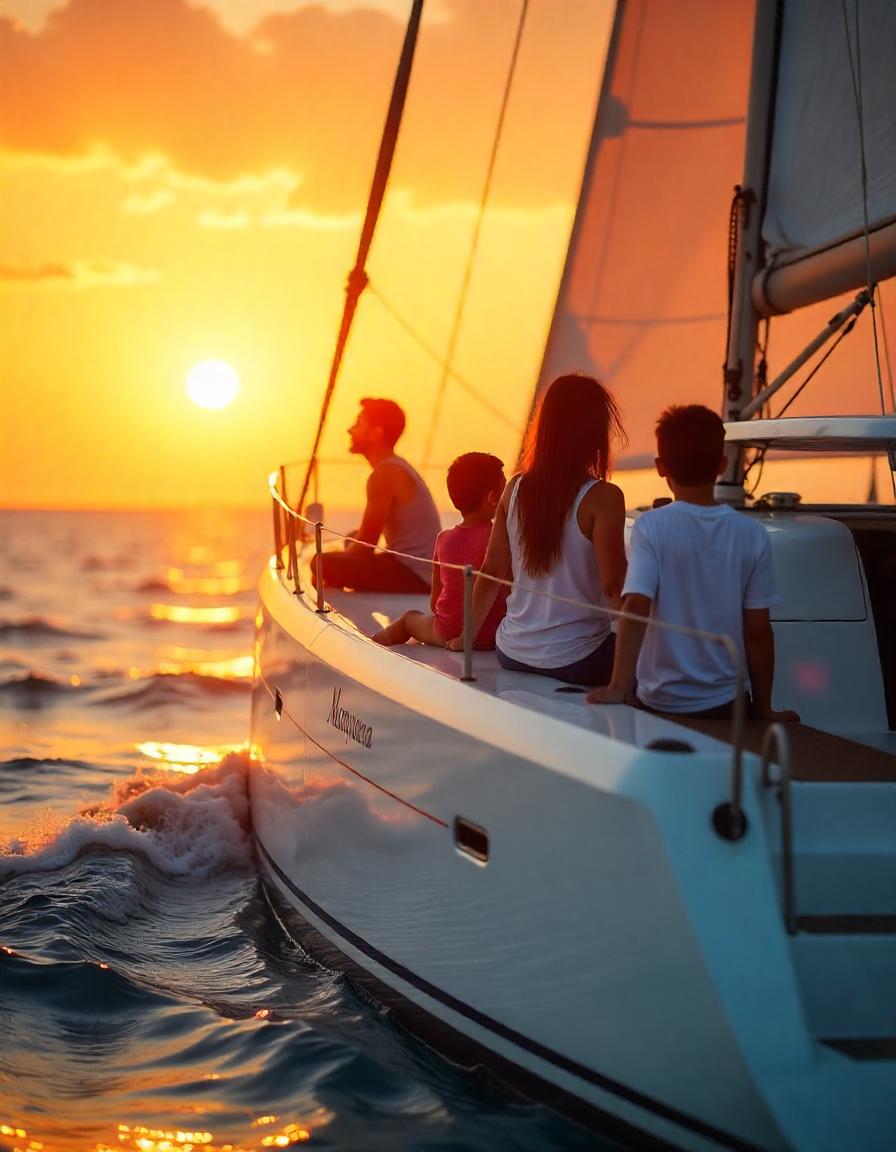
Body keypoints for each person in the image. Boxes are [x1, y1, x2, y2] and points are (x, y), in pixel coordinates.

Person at [587, 404, 799, 721]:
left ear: (661, 467)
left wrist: (618, 686)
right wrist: (765, 707)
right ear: (722, 465)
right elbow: (757, 632)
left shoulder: (651, 527)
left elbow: (635, 609)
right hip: (727, 704)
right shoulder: (751, 535)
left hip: (659, 701)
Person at [448, 373, 627, 687]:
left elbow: (491, 571)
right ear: (594, 432)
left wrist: (466, 638)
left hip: (513, 651)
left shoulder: (514, 488)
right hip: (580, 660)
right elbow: (614, 588)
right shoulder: (604, 498)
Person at [372, 452, 507, 649]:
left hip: (446, 632)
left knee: (410, 619)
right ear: (494, 498)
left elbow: (435, 600)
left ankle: (377, 643)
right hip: (492, 635)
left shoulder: (443, 539)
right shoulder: (500, 540)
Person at [312, 398, 441, 593]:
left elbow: (365, 546)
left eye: (358, 424)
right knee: (350, 539)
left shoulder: (384, 474)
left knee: (321, 562)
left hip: (416, 576)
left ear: (376, 433)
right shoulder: (394, 466)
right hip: (417, 569)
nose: (350, 429)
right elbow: (364, 539)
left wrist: (339, 561)